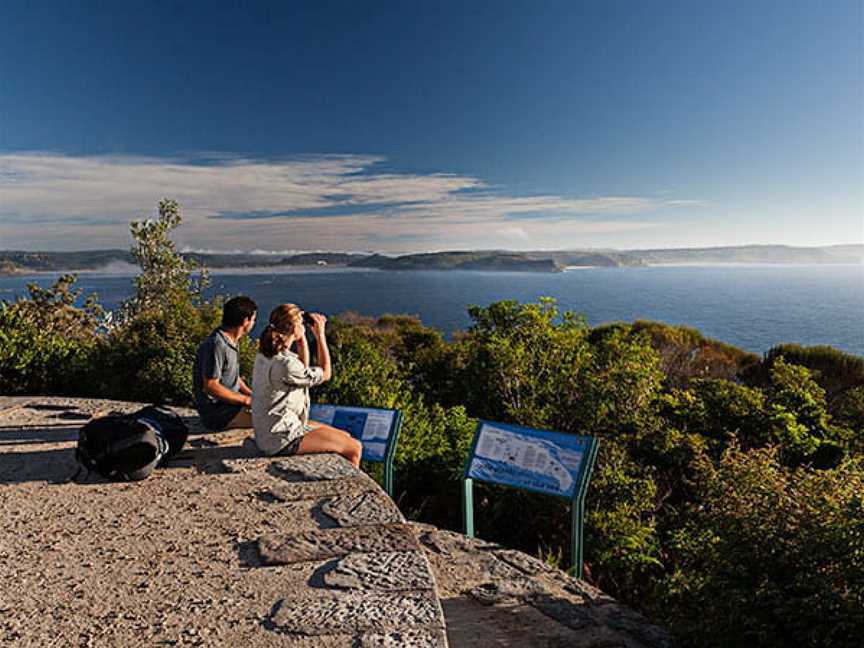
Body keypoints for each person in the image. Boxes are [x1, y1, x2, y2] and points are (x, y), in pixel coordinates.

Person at [251, 303, 362, 467]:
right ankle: (349, 489)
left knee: (344, 435)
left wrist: (301, 339)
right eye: (301, 324)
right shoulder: (285, 364)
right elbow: (325, 374)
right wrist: (320, 336)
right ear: (295, 328)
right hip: (282, 438)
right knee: (354, 447)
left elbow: (301, 370)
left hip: (270, 432)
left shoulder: (266, 355)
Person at [193, 295, 257, 431]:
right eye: (253, 319)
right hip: (217, 413)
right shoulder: (217, 344)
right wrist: (246, 400)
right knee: (273, 423)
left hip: (230, 406)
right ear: (246, 320)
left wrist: (252, 395)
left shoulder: (232, 341)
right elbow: (210, 386)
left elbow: (233, 377)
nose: (253, 323)